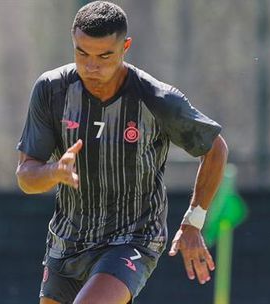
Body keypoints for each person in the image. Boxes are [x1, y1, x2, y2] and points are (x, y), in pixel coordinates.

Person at [15, 1, 228, 303]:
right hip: (66, 241)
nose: (91, 66)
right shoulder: (52, 90)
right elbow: (26, 177)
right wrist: (54, 172)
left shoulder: (156, 98)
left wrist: (193, 221)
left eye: (104, 55)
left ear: (125, 46)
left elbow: (215, 149)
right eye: (82, 53)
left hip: (133, 238)